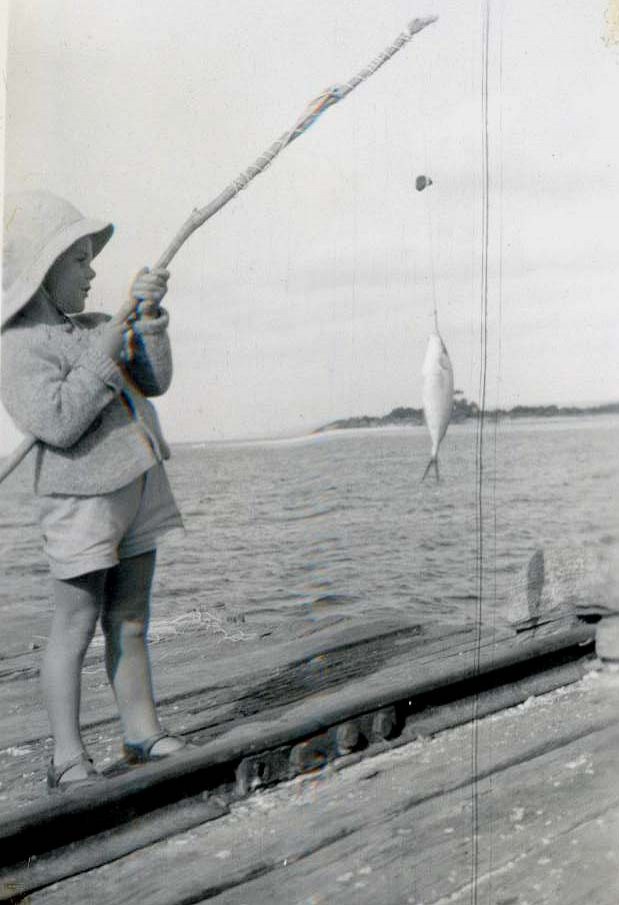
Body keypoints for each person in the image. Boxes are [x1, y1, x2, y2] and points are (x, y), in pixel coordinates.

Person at [1, 190, 186, 790]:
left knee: (130, 618)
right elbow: (56, 421)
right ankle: (67, 757)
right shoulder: (16, 346)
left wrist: (147, 321)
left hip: (138, 487)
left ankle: (142, 733)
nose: (92, 272)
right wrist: (105, 354)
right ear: (43, 267)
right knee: (74, 626)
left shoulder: (97, 325)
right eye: (79, 260)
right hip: (80, 504)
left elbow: (153, 381)